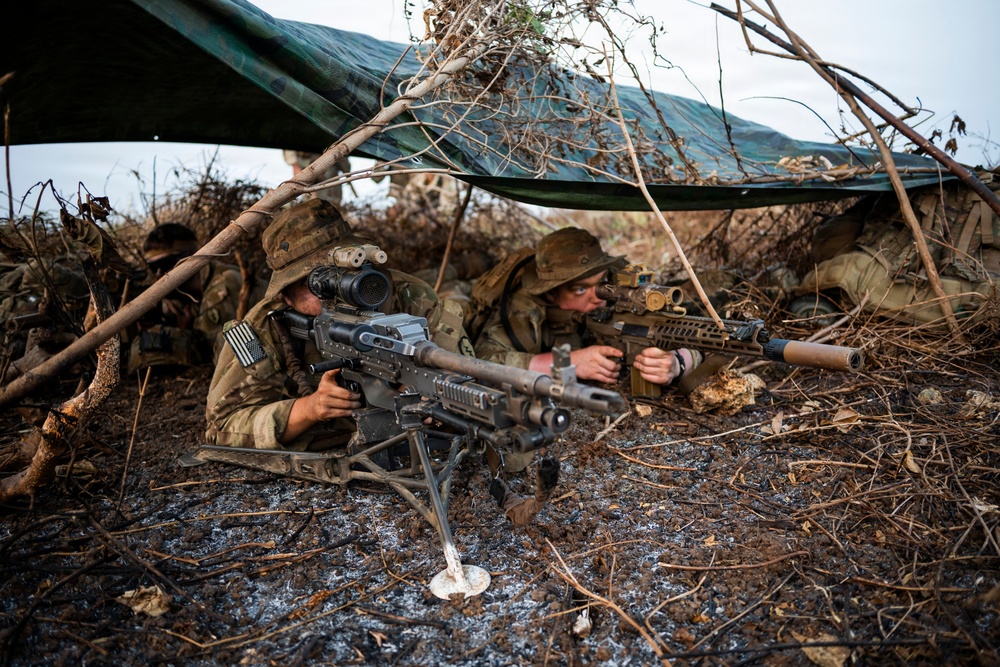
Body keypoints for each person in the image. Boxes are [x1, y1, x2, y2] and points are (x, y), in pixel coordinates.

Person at [204, 198, 473, 452]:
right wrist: (310, 409)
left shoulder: (410, 296)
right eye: (315, 283)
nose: (335, 292)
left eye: (344, 273)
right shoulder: (260, 328)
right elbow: (222, 427)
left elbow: (469, 386)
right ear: (286, 296)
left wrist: (432, 397)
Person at [473, 227, 702, 389]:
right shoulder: (524, 308)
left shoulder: (623, 285)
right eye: (580, 289)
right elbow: (482, 362)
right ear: (550, 293)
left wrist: (679, 363)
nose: (598, 297)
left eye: (601, 282)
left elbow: (693, 333)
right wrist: (568, 363)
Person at [127, 223, 243, 374]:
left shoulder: (224, 283)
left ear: (191, 257)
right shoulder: (179, 294)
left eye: (166, 264)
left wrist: (182, 334)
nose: (159, 273)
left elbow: (220, 352)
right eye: (153, 267)